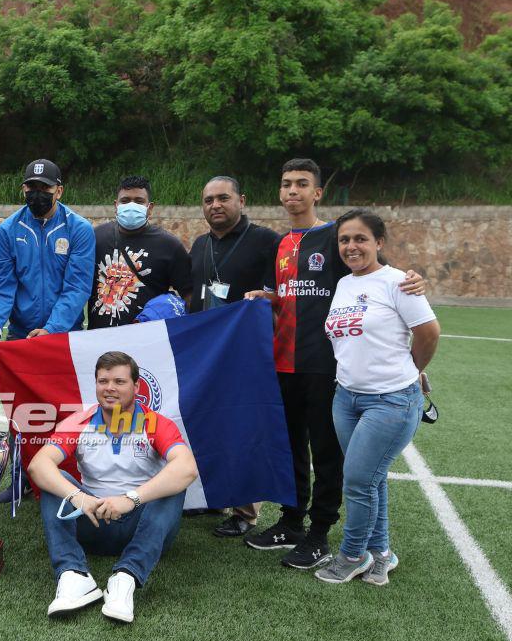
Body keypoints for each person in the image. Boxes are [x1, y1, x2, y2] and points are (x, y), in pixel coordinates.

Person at [244, 159, 424, 570]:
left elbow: (377, 270)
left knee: (326, 452)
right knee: (289, 448)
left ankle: (320, 532)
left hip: (327, 365)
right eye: (286, 184)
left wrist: (413, 279)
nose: (293, 191)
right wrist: (268, 297)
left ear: (317, 192)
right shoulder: (280, 243)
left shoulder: (334, 237)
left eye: (302, 184)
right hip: (283, 362)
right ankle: (290, 521)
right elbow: (289, 294)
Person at [314, 209, 440, 586]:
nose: (351, 247)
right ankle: (382, 552)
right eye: (344, 240)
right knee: (371, 478)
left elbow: (429, 332)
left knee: (356, 480)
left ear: (379, 242)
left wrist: (411, 369)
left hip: (391, 401)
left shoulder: (399, 282)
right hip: (347, 397)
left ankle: (352, 555)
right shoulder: (343, 284)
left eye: (360, 239)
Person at [28, 351, 198, 623]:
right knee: (54, 480)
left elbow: (187, 468)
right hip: (92, 521)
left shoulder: (155, 423)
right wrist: (80, 498)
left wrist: (131, 499)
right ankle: (74, 576)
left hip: (141, 526)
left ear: (136, 387)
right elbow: (38, 465)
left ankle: (125, 578)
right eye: (103, 381)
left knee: (174, 482)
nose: (109, 388)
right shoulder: (78, 423)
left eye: (119, 381)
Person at [0, 159, 95, 502]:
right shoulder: (9, 229)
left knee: (65, 410)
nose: (38, 193)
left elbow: (77, 288)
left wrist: (52, 328)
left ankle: (68, 476)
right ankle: (21, 478)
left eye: (45, 188)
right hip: (20, 338)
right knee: (22, 412)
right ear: (23, 189)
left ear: (59, 190)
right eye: (32, 187)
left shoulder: (79, 229)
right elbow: (3, 285)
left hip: (64, 337)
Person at [188, 175, 281, 537]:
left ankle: (245, 511)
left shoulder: (266, 242)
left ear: (241, 200)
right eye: (209, 200)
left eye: (223, 198)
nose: (215, 205)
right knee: (206, 426)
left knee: (242, 430)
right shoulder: (198, 245)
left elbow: (279, 294)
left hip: (247, 355)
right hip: (205, 355)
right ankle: (211, 497)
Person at [88, 175, 192, 328]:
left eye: (139, 201)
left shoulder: (169, 245)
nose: (131, 205)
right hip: (98, 337)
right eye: (125, 200)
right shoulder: (96, 237)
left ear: (150, 208)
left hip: (145, 341)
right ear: (116, 206)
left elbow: (189, 294)